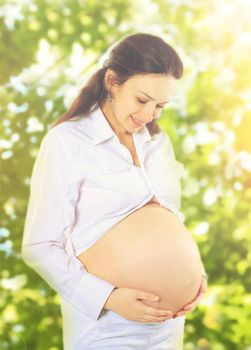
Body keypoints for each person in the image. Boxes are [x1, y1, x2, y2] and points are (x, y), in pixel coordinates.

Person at [21, 32, 207, 350]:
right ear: (112, 81)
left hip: (169, 327)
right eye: (142, 100)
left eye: (161, 106)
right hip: (108, 328)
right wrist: (109, 298)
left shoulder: (158, 143)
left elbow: (168, 218)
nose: (149, 115)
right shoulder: (68, 141)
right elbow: (39, 245)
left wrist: (194, 277)